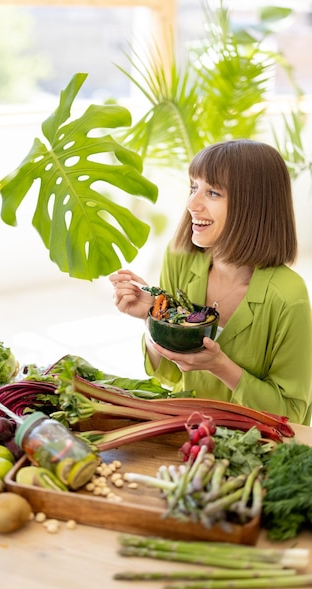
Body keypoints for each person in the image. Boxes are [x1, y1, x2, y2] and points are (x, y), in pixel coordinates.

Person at [110, 139, 312, 425]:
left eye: (213, 192)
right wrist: (153, 317)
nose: (193, 203)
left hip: (253, 449)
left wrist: (220, 366)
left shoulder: (289, 296)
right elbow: (167, 374)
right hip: (186, 432)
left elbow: (292, 416)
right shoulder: (180, 258)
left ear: (253, 206)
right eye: (194, 187)